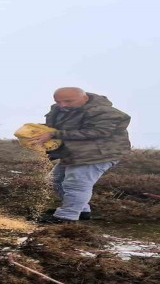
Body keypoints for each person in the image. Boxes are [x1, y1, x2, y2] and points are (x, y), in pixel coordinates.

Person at [27, 87, 131, 223]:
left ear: (84, 97)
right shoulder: (61, 109)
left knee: (76, 184)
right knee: (54, 180)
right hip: (75, 152)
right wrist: (38, 130)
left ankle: (67, 216)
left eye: (68, 101)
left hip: (98, 154)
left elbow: (98, 132)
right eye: (58, 101)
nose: (62, 105)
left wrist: (54, 134)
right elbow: (58, 126)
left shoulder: (105, 112)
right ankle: (81, 210)